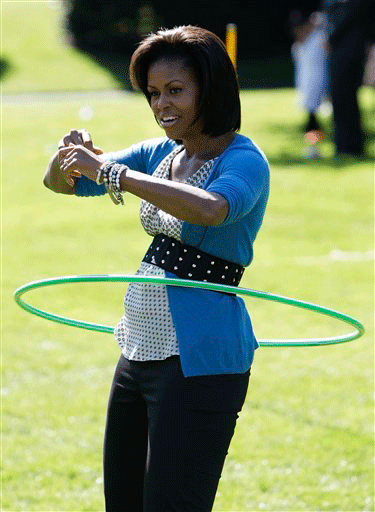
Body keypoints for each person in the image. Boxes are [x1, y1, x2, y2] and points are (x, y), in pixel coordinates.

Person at [43, 25, 270, 512]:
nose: (161, 104)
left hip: (199, 360)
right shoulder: (160, 154)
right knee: (122, 501)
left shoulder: (245, 160)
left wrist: (116, 173)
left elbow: (212, 209)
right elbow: (63, 183)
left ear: (208, 90)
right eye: (152, 93)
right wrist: (67, 153)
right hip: (138, 351)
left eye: (175, 91)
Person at [321, 0, 374, 157]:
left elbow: (351, 16)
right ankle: (343, 144)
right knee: (340, 97)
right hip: (341, 49)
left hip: (349, 50)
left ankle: (350, 145)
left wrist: (331, 37)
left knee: (346, 97)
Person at [288, 10, 329, 140]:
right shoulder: (297, 47)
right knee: (311, 115)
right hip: (306, 84)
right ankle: (315, 140)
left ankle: (314, 140)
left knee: (314, 116)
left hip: (320, 82)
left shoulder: (319, 40)